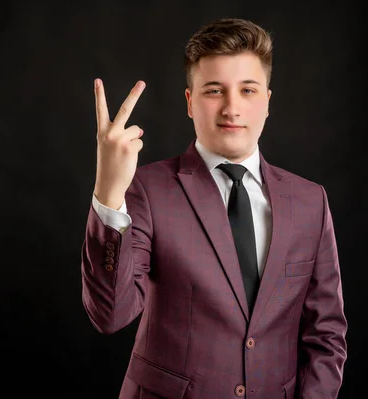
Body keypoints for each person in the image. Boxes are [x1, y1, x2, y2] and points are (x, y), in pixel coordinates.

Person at [80, 18, 347, 399]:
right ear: (190, 102)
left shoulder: (310, 201)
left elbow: (326, 333)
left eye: (248, 90)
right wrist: (108, 190)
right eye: (214, 90)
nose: (231, 107)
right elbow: (110, 314)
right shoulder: (146, 189)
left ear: (268, 102)